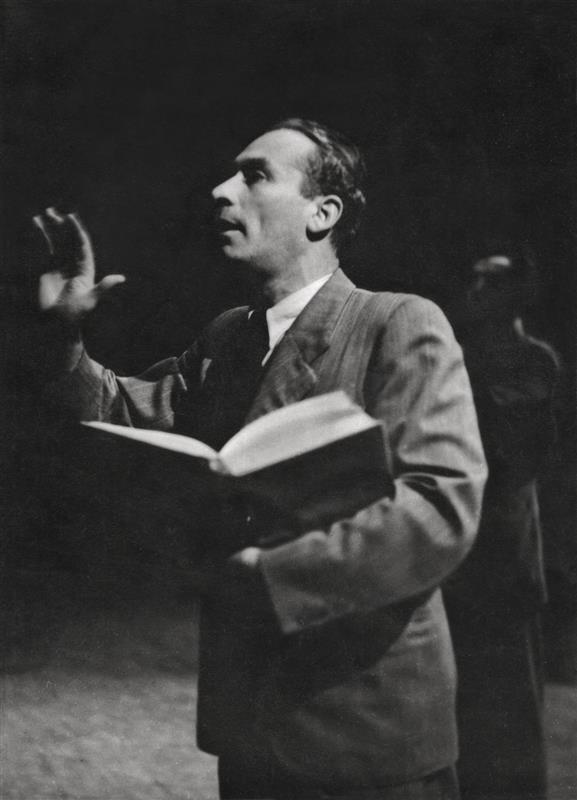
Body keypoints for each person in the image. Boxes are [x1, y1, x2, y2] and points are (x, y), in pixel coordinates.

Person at [33, 119, 486, 800]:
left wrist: (272, 578)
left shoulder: (397, 322)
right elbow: (120, 410)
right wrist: (64, 333)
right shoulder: (229, 338)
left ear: (322, 213)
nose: (221, 190)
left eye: (254, 175)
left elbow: (439, 506)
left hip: (365, 727)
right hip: (251, 719)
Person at [443, 251, 561, 800]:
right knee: (459, 695)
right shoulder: (460, 356)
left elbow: (515, 453)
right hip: (461, 545)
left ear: (517, 293)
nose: (475, 289)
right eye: (473, 278)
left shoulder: (533, 360)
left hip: (504, 546)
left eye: (490, 281)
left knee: (510, 696)